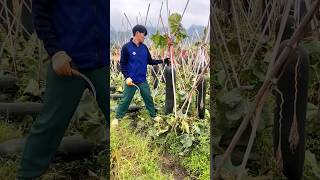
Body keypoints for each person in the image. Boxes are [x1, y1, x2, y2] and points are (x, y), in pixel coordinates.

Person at [16, 0, 108, 179]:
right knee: (50, 124)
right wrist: (55, 51)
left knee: (119, 117)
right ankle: (27, 175)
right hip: (69, 61)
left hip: (104, 61)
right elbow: (40, 12)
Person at [112, 25, 170, 127]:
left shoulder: (144, 48)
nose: (144, 37)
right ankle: (117, 118)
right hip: (131, 80)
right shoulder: (126, 47)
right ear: (138, 33)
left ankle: (153, 115)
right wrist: (127, 77)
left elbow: (150, 61)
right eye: (144, 34)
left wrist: (163, 61)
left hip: (142, 79)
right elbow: (122, 64)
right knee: (126, 99)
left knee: (148, 97)